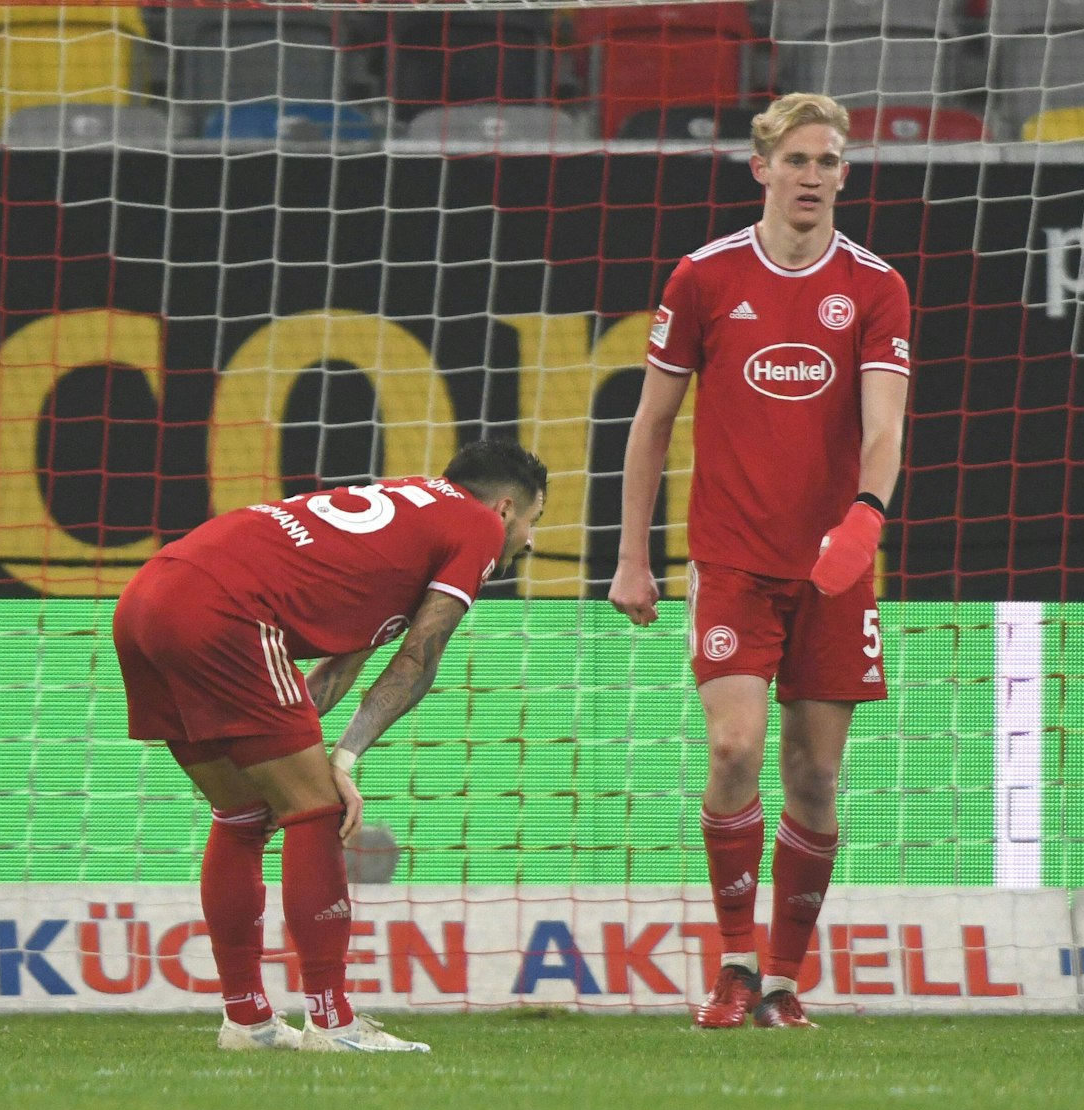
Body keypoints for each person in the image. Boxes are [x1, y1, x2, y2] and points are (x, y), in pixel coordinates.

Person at [608, 92, 911, 1031]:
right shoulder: (704, 276)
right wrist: (631, 555)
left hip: (833, 568)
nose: (814, 176)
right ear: (762, 168)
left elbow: (884, 427)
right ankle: (734, 962)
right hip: (733, 558)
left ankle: (782, 978)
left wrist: (865, 516)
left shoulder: (875, 286)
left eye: (829, 161)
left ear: (844, 175)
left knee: (814, 777)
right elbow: (652, 422)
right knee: (734, 747)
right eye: (797, 160)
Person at [115, 439, 548, 1052]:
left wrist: (319, 755)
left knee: (242, 814)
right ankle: (332, 1022)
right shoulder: (477, 526)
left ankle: (247, 1021)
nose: (529, 540)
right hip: (224, 609)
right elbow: (419, 659)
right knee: (317, 811)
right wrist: (337, 764)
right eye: (533, 520)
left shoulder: (408, 512)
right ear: (504, 508)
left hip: (147, 598)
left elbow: (336, 669)